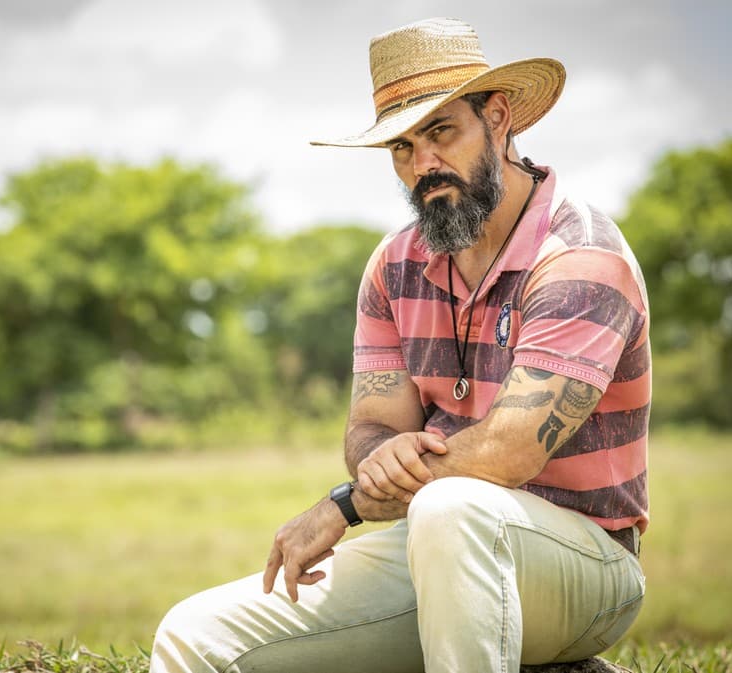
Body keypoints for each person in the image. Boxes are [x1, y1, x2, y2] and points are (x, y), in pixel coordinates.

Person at [150, 17, 649, 673]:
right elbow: (373, 425)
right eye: (402, 147)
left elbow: (509, 450)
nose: (423, 165)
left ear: (498, 119)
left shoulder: (579, 254)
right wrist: (379, 457)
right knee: (192, 633)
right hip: (434, 547)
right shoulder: (394, 266)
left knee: (451, 506)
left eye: (442, 132)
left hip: (587, 565)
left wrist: (349, 502)